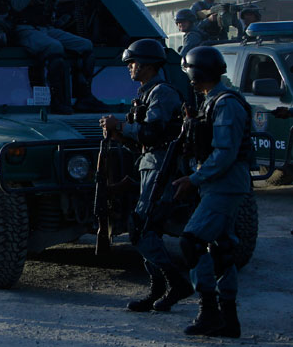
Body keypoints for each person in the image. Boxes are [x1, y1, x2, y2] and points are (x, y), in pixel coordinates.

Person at [99, 39, 193, 314]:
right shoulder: (147, 92)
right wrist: (119, 133)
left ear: (149, 65)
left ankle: (175, 283)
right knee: (146, 228)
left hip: (161, 167)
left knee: (141, 228)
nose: (130, 67)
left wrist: (122, 126)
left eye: (133, 62)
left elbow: (152, 132)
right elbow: (142, 139)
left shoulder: (162, 93)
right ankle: (158, 289)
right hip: (150, 163)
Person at [173, 46, 252, 338]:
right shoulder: (210, 101)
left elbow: (225, 154)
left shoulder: (226, 103)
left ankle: (210, 312)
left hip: (224, 184)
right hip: (217, 183)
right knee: (222, 249)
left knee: (192, 242)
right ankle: (228, 320)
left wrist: (193, 179)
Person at [9, 0, 105, 114]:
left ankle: (84, 96)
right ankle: (57, 100)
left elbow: (51, 8)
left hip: (46, 27)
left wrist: (61, 5)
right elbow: (17, 5)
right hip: (24, 28)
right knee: (54, 48)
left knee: (85, 46)